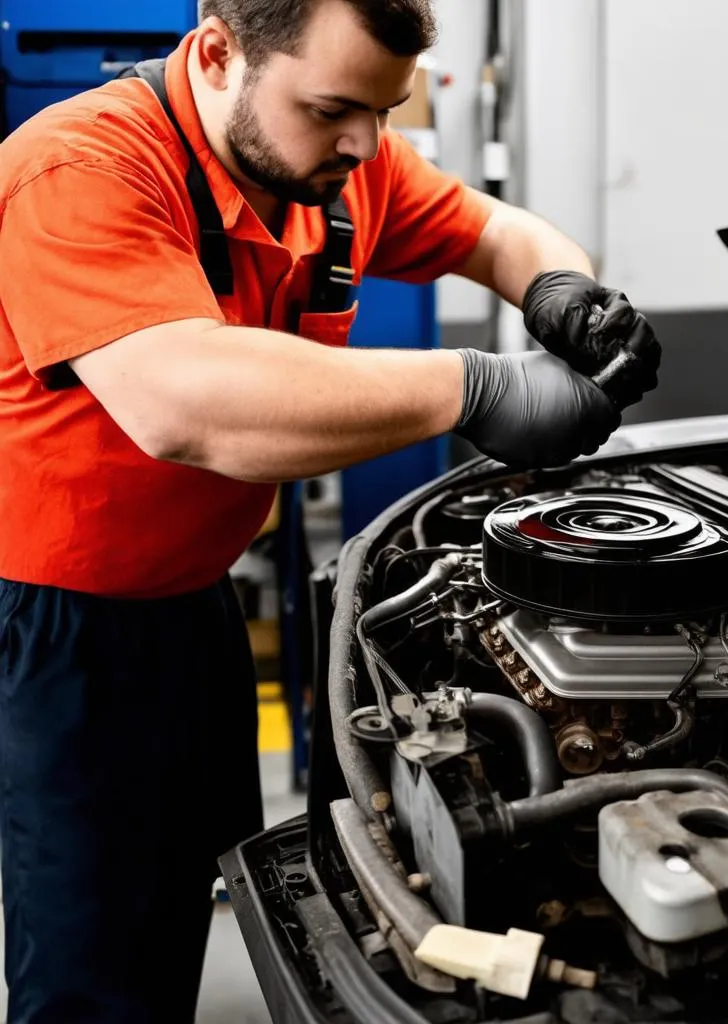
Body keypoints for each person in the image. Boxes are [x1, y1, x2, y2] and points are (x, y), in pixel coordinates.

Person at [0, 0, 661, 1020]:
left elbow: (494, 231)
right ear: (218, 54)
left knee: (200, 883)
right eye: (334, 108)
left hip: (196, 600)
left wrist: (563, 292)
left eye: (385, 110)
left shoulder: (336, 161)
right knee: (92, 959)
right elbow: (184, 406)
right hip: (63, 630)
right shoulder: (81, 167)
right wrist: (479, 389)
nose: (365, 142)